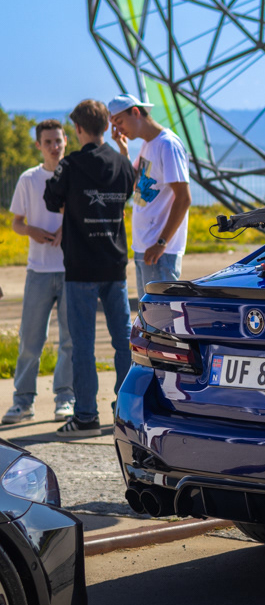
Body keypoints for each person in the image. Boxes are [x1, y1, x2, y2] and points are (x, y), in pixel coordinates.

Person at [44, 99, 134, 438]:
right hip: (114, 264)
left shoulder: (70, 164)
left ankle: (85, 416)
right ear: (106, 127)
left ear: (78, 129)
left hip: (81, 266)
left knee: (82, 344)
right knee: (123, 340)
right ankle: (125, 410)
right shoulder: (122, 163)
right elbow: (129, 191)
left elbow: (51, 200)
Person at [2, 120, 75, 425]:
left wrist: (65, 230)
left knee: (70, 340)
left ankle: (65, 398)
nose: (54, 147)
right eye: (48, 142)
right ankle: (23, 401)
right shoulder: (28, 179)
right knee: (31, 339)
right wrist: (31, 230)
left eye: (58, 140)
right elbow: (16, 222)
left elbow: (82, 214)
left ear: (66, 140)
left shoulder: (75, 174)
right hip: (38, 270)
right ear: (38, 145)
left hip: (71, 271)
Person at [108, 93, 191, 298]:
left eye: (119, 122)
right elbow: (134, 181)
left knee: (161, 314)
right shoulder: (148, 144)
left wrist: (161, 243)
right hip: (145, 246)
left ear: (136, 112)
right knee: (148, 313)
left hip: (159, 251)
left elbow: (183, 198)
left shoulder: (167, 144)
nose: (118, 130)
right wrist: (123, 151)